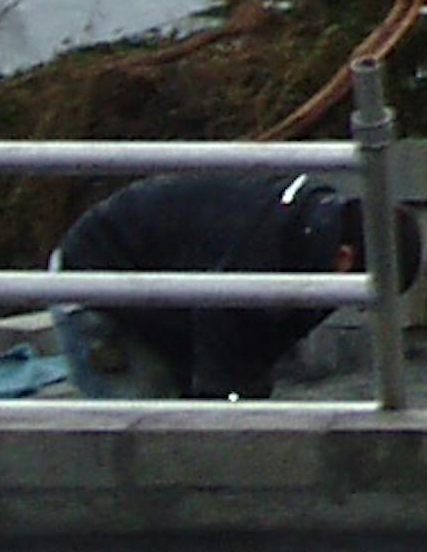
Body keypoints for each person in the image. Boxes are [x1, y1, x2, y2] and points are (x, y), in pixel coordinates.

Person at [47, 164, 363, 400]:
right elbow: (222, 361)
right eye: (362, 299)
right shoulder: (260, 255)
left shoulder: (305, 227)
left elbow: (252, 354)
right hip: (96, 286)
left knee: (177, 437)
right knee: (143, 445)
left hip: (159, 290)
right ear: (346, 260)